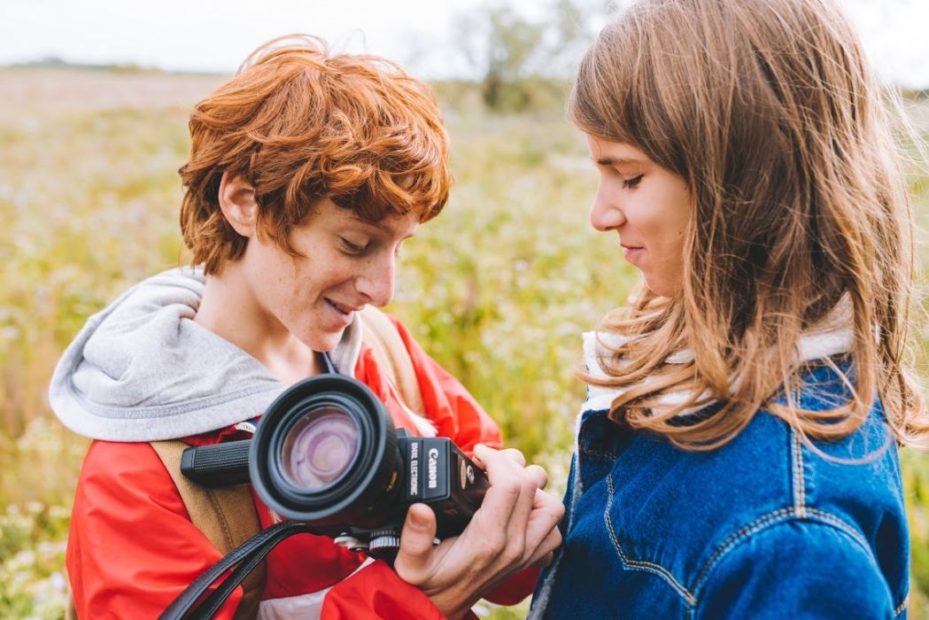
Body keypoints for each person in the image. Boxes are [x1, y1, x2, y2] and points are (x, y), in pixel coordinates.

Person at [49, 35, 563, 619]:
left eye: (399, 249)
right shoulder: (140, 476)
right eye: (355, 243)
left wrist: (505, 533)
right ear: (244, 203)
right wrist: (411, 603)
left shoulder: (385, 354)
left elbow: (509, 567)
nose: (382, 289)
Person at [529, 0, 929, 618]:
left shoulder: (794, 543)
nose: (600, 214)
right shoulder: (697, 376)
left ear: (743, 187)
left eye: (629, 177)